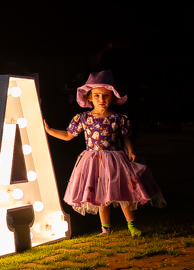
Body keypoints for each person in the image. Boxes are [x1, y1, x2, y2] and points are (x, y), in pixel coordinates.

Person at [44, 71, 164, 236]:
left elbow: (126, 137)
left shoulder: (118, 118)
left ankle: (132, 225)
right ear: (90, 98)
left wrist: (131, 151)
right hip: (93, 161)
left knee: (123, 192)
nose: (102, 99)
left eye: (106, 95)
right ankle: (105, 228)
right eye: (97, 95)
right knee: (100, 195)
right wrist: (49, 131)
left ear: (112, 97)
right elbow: (68, 135)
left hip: (115, 159)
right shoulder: (83, 118)